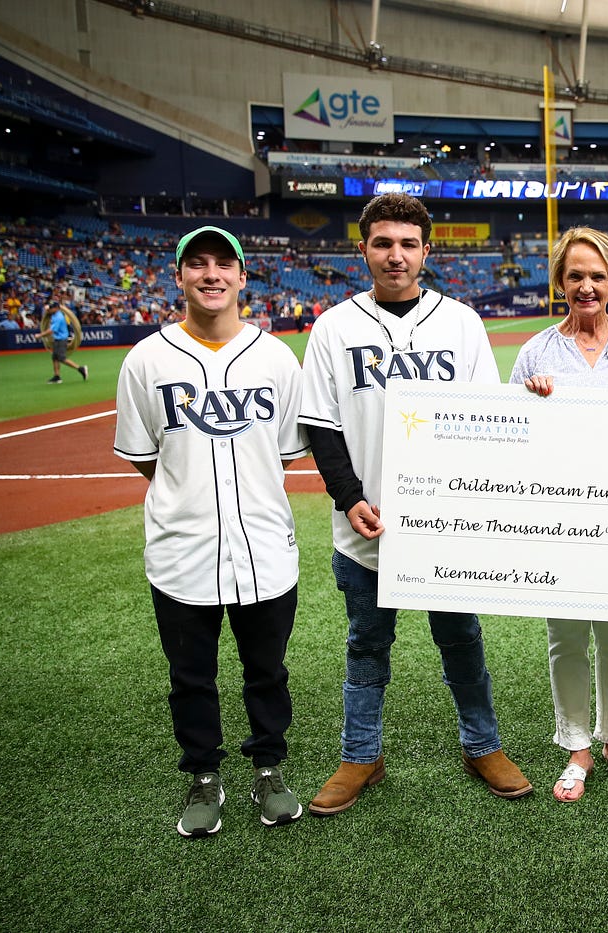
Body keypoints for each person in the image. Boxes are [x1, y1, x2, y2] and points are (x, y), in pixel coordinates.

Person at [300, 193, 532, 814]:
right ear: (364, 249)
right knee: (365, 647)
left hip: (444, 527)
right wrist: (350, 500)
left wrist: (462, 507)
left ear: (427, 251)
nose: (395, 255)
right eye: (383, 243)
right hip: (363, 529)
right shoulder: (334, 327)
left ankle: (482, 744)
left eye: (408, 244)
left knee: (462, 641)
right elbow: (322, 427)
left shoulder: (459, 322)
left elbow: (486, 420)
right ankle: (360, 755)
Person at [113, 225, 307, 837]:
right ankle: (203, 776)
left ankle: (268, 770)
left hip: (264, 545)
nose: (211, 274)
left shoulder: (275, 357)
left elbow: (280, 454)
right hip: (181, 549)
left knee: (267, 671)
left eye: (224, 263)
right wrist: (188, 491)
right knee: (190, 677)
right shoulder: (145, 359)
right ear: (180, 278)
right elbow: (147, 456)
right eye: (196, 264)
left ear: (244, 276)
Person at [510, 226, 608, 802]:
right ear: (560, 281)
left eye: (597, 276)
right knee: (566, 636)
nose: (586, 286)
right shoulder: (536, 351)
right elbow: (512, 435)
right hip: (560, 511)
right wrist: (529, 396)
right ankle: (576, 743)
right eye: (575, 275)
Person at [41, 301, 87, 383]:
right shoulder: (54, 315)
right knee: (54, 357)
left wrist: (40, 335)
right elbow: (47, 310)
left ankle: (80, 368)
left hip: (61, 340)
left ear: (56, 308)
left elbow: (52, 330)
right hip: (57, 339)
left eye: (52, 308)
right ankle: (57, 376)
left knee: (61, 358)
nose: (50, 309)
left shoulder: (58, 317)